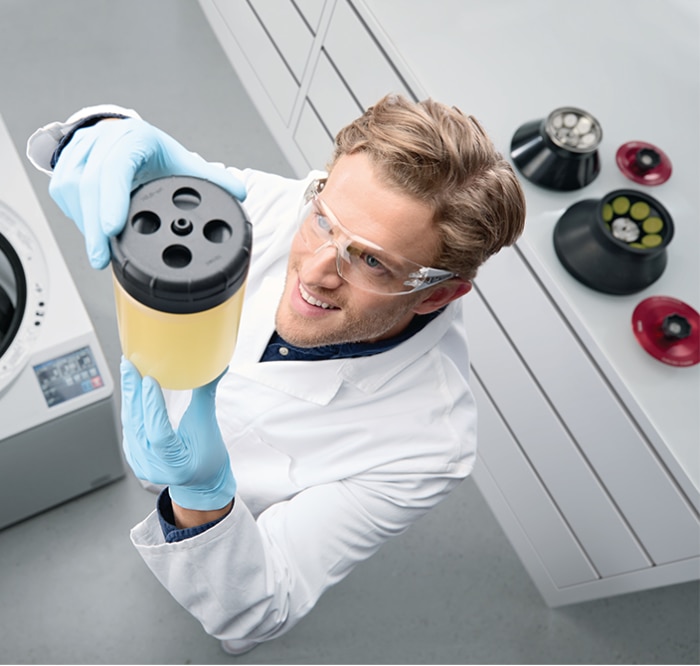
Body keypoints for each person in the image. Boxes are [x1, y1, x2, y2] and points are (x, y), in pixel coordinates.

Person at [27, 94, 526, 655]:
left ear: (439, 294)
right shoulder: (279, 207)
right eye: (323, 222)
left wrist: (201, 494)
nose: (314, 271)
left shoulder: (430, 443)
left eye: (371, 261)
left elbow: (261, 607)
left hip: (226, 523)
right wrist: (98, 135)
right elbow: (119, 165)